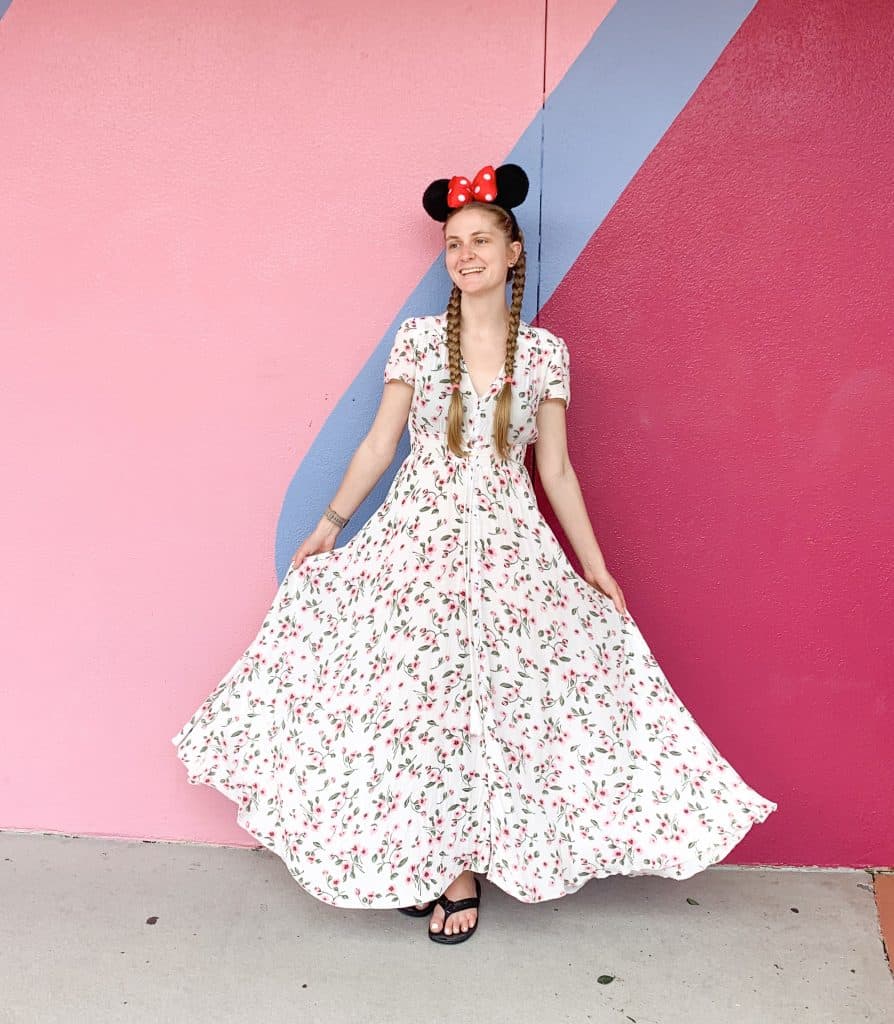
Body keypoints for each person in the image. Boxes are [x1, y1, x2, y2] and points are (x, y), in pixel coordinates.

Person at [171, 162, 777, 946]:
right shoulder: (420, 342)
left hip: (508, 553)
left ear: (513, 252)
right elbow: (380, 443)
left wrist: (595, 566)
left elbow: (554, 468)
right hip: (416, 547)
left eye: (480, 239)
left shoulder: (547, 354)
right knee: (415, 701)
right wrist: (330, 521)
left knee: (499, 704)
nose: (465, 254)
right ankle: (443, 866)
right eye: (454, 243)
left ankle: (484, 853)